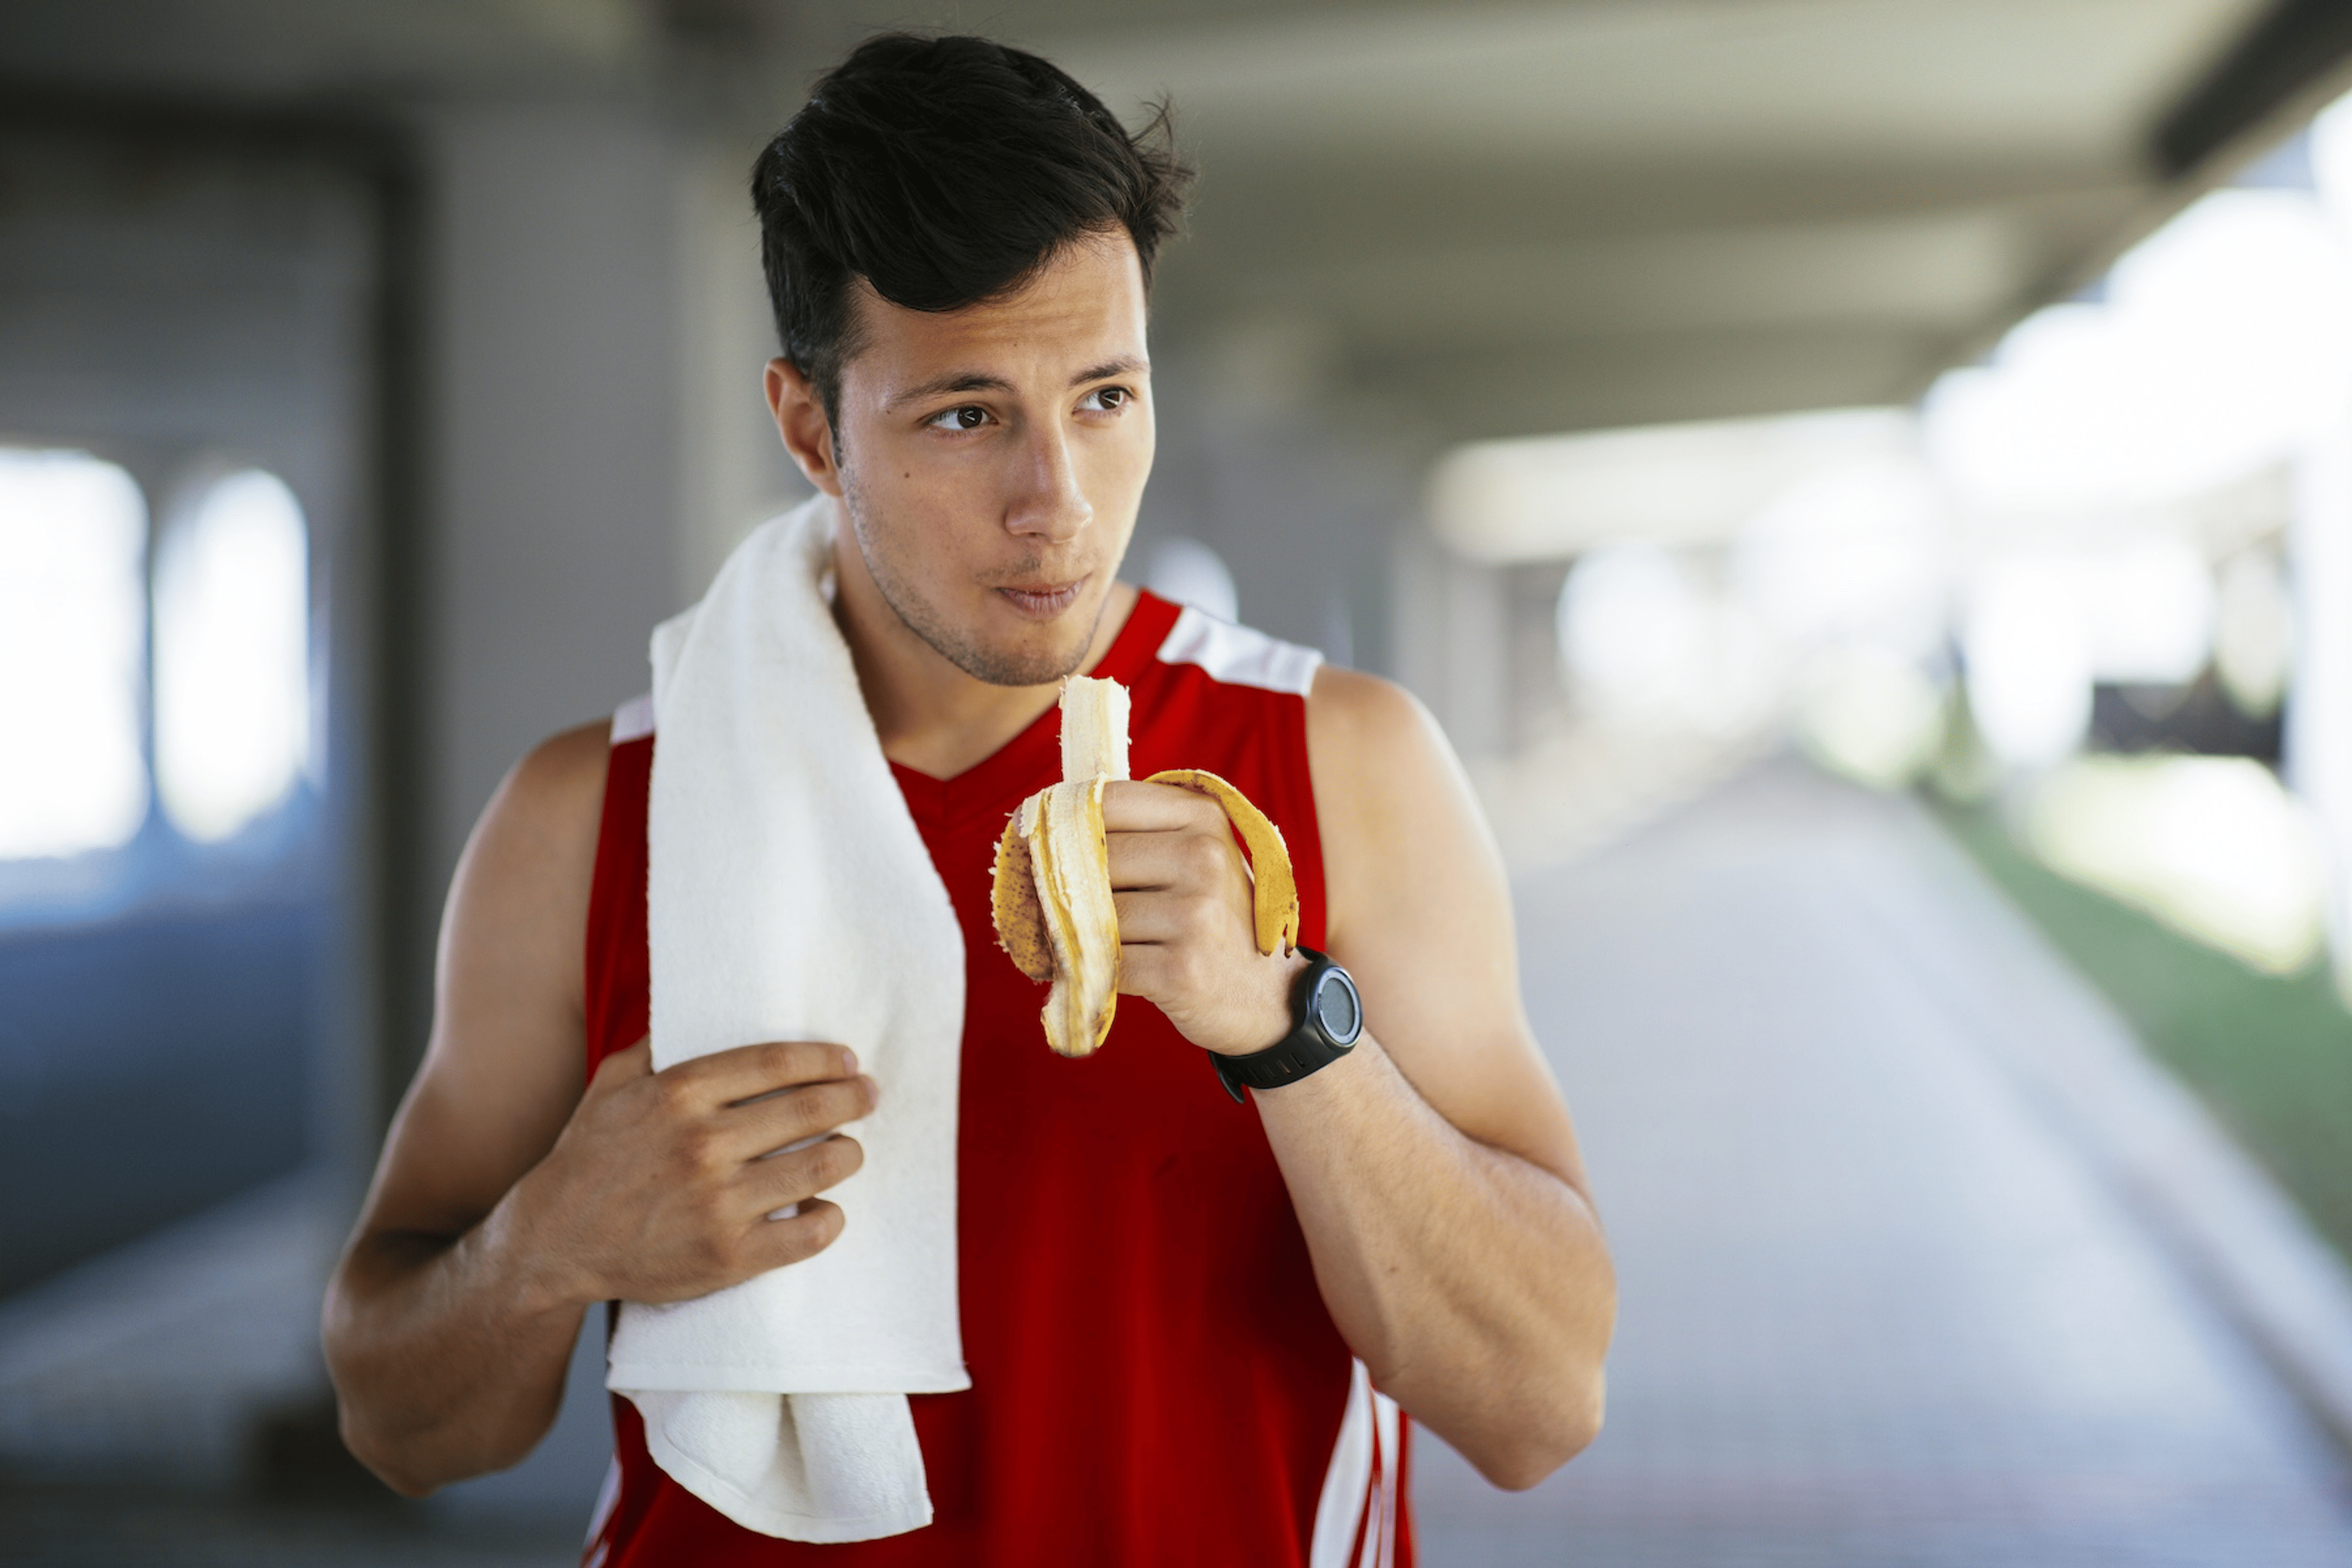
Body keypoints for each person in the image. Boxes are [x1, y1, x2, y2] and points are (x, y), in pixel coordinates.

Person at [323, 32, 1614, 1566]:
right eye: (965, 414)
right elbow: (406, 1430)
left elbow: (1538, 1405)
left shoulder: (1343, 766)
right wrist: (544, 1246)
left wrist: (1285, 1023)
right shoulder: (590, 816)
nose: (1055, 500)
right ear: (809, 427)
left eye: (1105, 397)